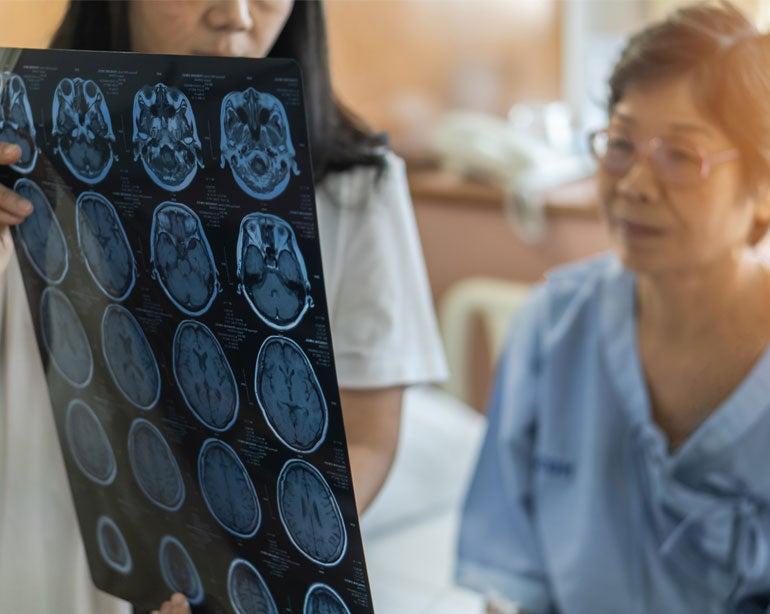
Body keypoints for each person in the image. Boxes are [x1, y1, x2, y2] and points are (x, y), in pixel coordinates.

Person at [0, 1, 447, 613]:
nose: (235, 15)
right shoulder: (15, 159)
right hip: (37, 558)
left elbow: (370, 434)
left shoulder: (357, 185)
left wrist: (266, 570)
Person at [456, 2, 770, 613]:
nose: (634, 184)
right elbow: (511, 580)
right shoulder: (552, 329)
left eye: (681, 156)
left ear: (761, 187)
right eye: (620, 144)